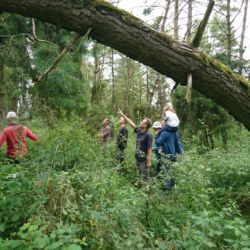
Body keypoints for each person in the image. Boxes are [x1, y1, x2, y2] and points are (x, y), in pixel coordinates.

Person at [118, 109, 152, 182]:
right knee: (139, 175)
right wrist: (122, 114)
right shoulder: (139, 130)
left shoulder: (148, 135)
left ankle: (148, 191)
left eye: (142, 122)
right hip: (137, 158)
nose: (140, 122)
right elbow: (131, 122)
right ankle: (140, 188)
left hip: (144, 160)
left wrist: (149, 161)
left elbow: (149, 149)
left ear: (145, 125)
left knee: (146, 178)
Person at [156, 117, 183, 191]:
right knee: (173, 170)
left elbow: (158, 142)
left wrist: (157, 135)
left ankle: (167, 189)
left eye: (162, 126)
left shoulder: (164, 133)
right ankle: (173, 186)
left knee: (167, 171)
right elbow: (178, 142)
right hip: (174, 154)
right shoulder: (175, 132)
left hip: (167, 154)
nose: (161, 128)